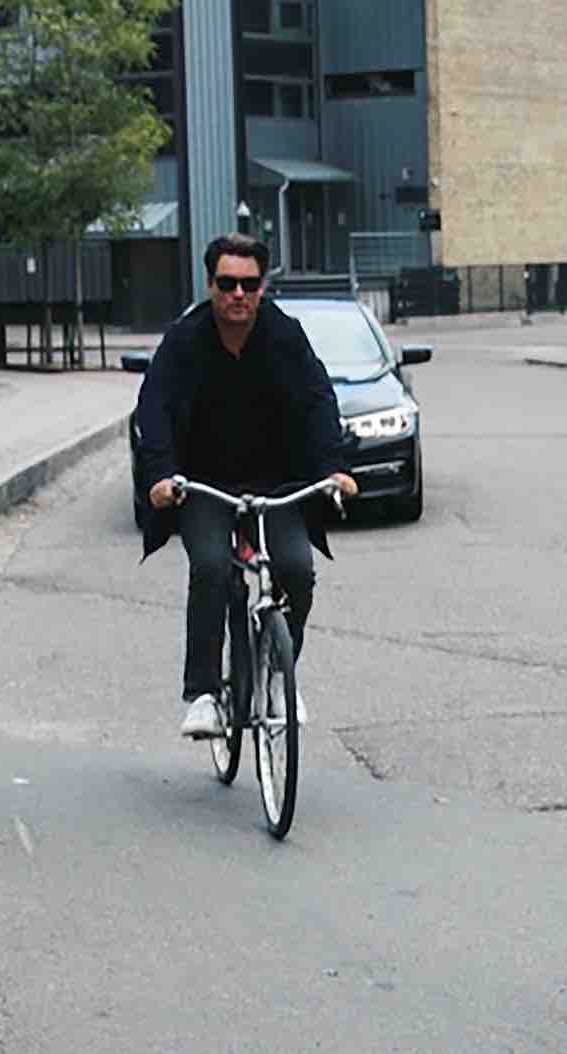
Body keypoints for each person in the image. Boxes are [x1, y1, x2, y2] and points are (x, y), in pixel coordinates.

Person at [134, 233, 358, 738]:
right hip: (203, 482)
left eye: (249, 284)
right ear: (210, 284)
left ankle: (280, 675)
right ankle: (205, 694)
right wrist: (162, 478)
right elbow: (155, 409)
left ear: (263, 287)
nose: (238, 294)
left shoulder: (285, 336)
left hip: (276, 479)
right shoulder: (184, 340)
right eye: (227, 283)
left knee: (297, 569)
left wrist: (334, 468)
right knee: (212, 566)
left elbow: (317, 400)